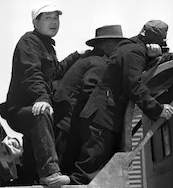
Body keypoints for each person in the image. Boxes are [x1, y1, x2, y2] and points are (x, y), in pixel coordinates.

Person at [69, 19, 173, 185]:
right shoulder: (134, 52)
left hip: (102, 117)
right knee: (88, 174)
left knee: (100, 173)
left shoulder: (131, 49)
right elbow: (134, 85)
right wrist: (157, 109)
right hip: (102, 119)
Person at [0, 2, 80, 187]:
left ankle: (30, 174)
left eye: (56, 18)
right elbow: (31, 74)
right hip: (20, 109)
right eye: (48, 18)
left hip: (35, 105)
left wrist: (77, 55)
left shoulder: (47, 46)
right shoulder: (28, 42)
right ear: (35, 22)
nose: (54, 22)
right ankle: (50, 172)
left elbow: (56, 71)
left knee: (60, 114)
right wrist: (42, 99)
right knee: (41, 113)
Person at [53, 25, 127, 167]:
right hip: (67, 125)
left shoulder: (89, 58)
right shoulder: (99, 63)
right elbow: (90, 92)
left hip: (63, 123)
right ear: (109, 44)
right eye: (118, 44)